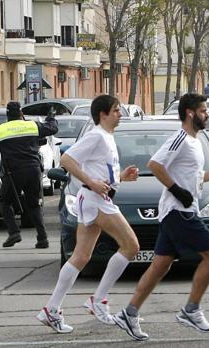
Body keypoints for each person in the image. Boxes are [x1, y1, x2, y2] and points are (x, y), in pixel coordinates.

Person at [111, 93, 209, 341]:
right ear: (191, 113)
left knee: (159, 266)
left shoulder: (195, 140)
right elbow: (155, 164)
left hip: (183, 210)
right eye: (203, 110)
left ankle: (128, 314)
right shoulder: (180, 138)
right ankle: (190, 310)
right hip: (178, 212)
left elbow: (192, 177)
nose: (207, 115)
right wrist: (175, 190)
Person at [35, 94, 140, 334]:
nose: (120, 114)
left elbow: (100, 169)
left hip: (92, 199)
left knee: (81, 257)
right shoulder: (96, 136)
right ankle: (99, 300)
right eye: (116, 110)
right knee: (131, 246)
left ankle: (51, 309)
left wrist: (121, 177)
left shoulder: (107, 137)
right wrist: (92, 182)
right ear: (103, 114)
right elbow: (66, 159)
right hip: (95, 200)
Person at [0, 101, 57, 248]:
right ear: (21, 114)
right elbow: (52, 128)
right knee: (34, 205)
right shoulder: (32, 125)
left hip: (13, 173)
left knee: (5, 202)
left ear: (7, 115)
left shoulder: (0, 130)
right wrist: (51, 117)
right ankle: (42, 238)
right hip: (33, 170)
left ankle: (14, 233)